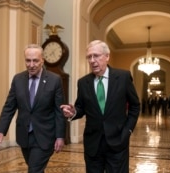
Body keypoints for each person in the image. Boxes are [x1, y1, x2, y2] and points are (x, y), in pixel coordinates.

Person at [60, 40, 140, 173]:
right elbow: (81, 108)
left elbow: (135, 106)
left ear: (107, 56)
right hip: (93, 144)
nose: (92, 60)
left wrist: (128, 131)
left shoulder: (123, 77)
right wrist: (73, 112)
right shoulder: (83, 82)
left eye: (96, 56)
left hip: (118, 142)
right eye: (89, 57)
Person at [0, 44, 66, 173]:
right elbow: (9, 107)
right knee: (34, 166)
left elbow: (59, 111)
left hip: (45, 136)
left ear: (42, 60)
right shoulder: (18, 79)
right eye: (28, 60)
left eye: (35, 60)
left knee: (34, 169)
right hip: (24, 136)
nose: (31, 65)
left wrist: (60, 136)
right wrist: (0, 131)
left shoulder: (54, 80)